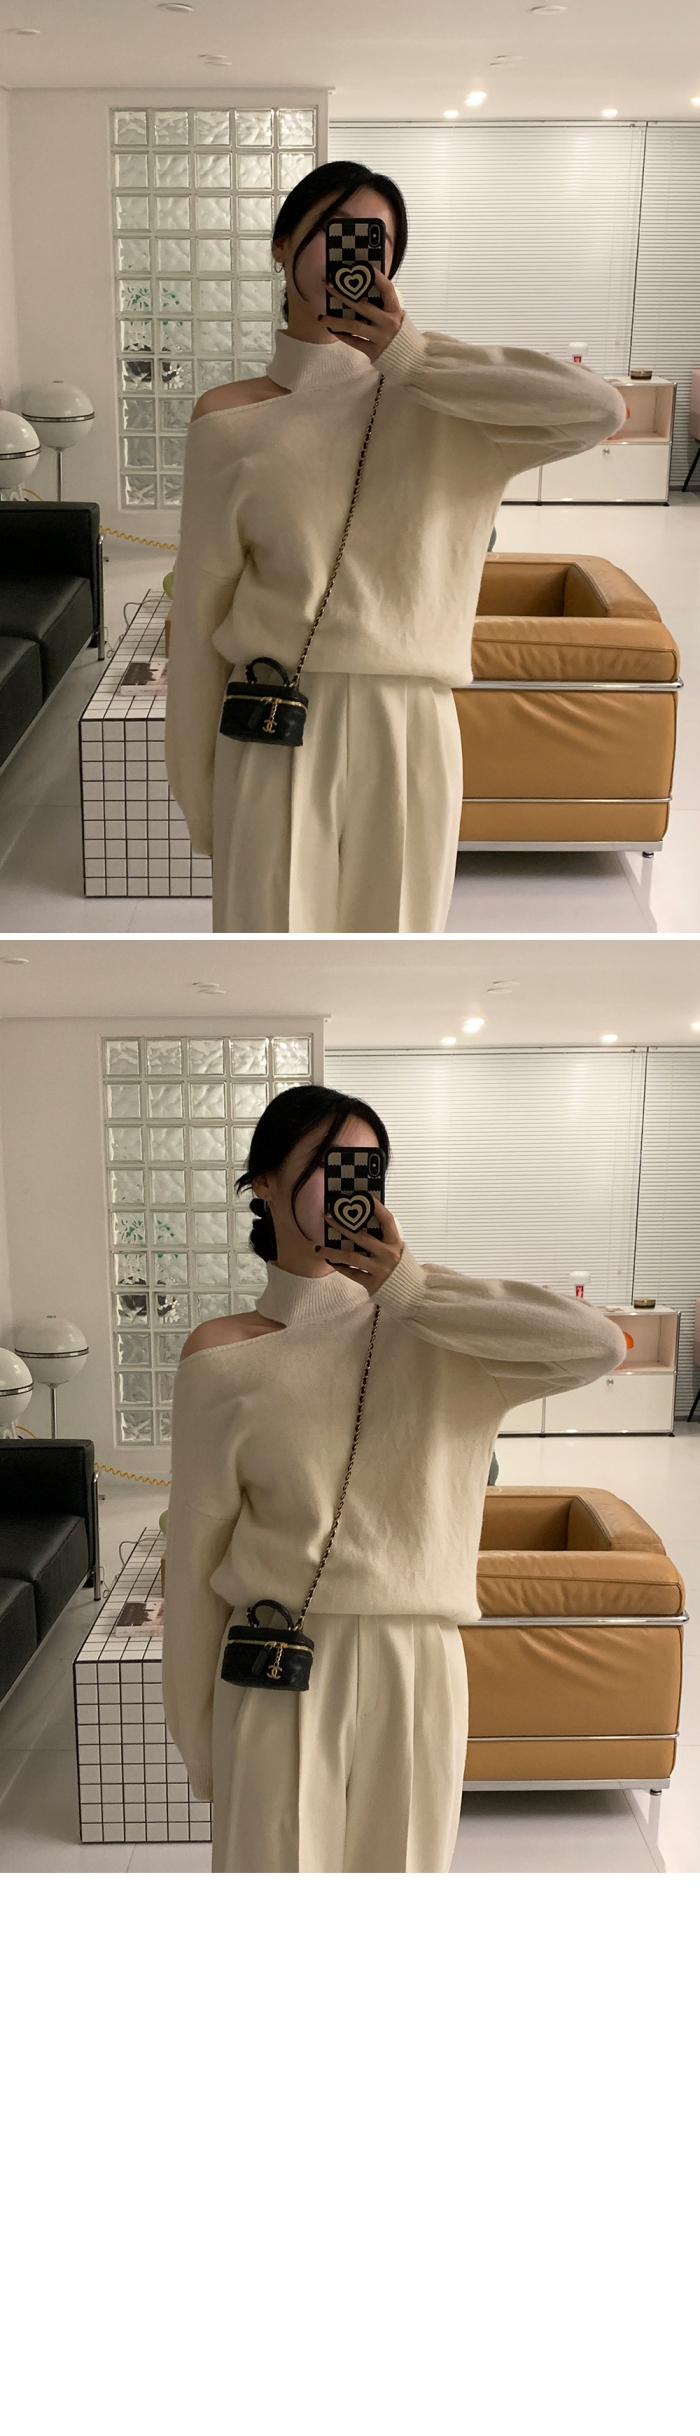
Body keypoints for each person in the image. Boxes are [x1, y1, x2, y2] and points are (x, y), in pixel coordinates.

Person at [161, 1084, 627, 1874]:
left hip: (417, 1664)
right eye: (328, 1163)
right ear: (263, 1182)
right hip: (274, 1659)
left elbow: (599, 1345)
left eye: (368, 1168)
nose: (351, 1185)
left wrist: (408, 1290)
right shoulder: (221, 1357)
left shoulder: (441, 1330)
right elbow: (197, 1560)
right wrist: (198, 1736)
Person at [165, 159, 628, 936]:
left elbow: (599, 410)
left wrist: (409, 358)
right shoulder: (228, 420)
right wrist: (198, 790)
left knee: (397, 957)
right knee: (271, 951)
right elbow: (201, 610)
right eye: (335, 230)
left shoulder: (448, 402)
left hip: (411, 724)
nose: (353, 254)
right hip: (273, 717)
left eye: (375, 240)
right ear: (282, 246)